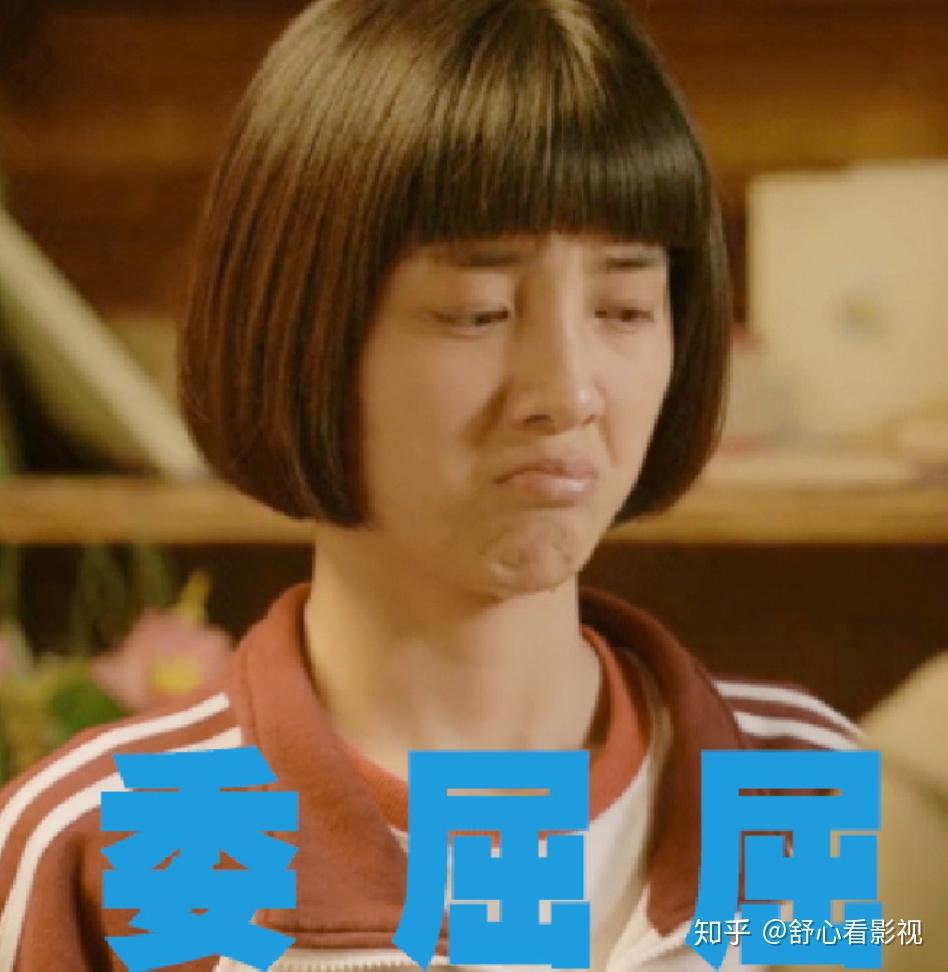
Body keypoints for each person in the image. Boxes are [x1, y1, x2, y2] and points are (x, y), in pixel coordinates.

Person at [0, 1, 861, 969]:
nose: (569, 392)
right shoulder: (104, 847)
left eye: (625, 308)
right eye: (476, 310)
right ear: (302, 330)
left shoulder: (792, 783)